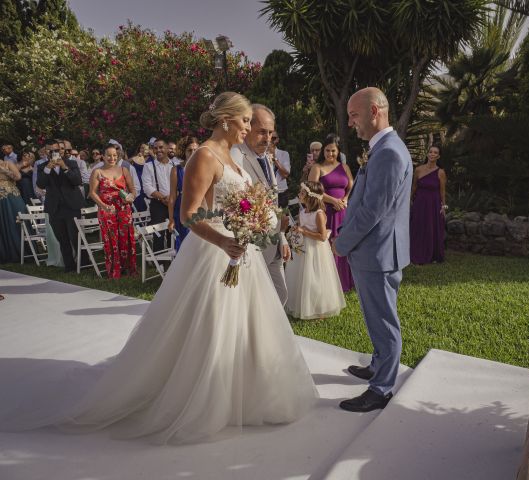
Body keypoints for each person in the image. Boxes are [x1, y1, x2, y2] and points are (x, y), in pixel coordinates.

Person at [0, 92, 317, 444]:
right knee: (211, 324)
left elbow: (239, 201)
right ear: (227, 119)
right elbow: (188, 215)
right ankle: (204, 395)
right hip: (216, 251)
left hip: (242, 250)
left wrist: (256, 221)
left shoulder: (233, 155)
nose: (249, 128)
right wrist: (224, 239)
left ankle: (251, 389)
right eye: (245, 121)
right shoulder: (204, 156)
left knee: (249, 324)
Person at [334, 87, 412, 412]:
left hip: (378, 253)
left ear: (374, 112)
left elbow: (371, 211)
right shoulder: (382, 149)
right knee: (375, 315)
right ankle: (379, 365)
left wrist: (341, 243)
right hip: (374, 251)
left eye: (354, 114)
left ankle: (380, 390)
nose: (351, 122)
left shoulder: (390, 153)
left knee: (383, 321)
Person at [230, 104, 291, 305]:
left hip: (273, 242)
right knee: (254, 303)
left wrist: (281, 236)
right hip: (252, 246)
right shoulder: (236, 156)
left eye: (270, 133)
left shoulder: (267, 157)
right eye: (261, 132)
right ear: (247, 129)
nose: (267, 138)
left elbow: (272, 200)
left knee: (280, 296)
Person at [285, 181, 346, 319]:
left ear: (310, 197)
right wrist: (297, 230)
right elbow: (302, 227)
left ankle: (319, 307)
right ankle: (302, 304)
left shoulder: (319, 214)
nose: (299, 194)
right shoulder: (302, 211)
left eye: (302, 193)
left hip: (316, 250)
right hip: (303, 249)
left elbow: (323, 236)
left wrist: (304, 231)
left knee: (315, 278)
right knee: (301, 277)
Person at [308, 137, 355, 292]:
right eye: (327, 150)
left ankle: (345, 281)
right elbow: (311, 190)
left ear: (338, 151)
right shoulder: (317, 167)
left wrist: (345, 199)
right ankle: (329, 284)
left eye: (333, 150)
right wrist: (333, 200)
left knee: (343, 243)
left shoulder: (344, 166)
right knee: (327, 246)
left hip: (343, 210)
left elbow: (351, 185)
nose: (330, 153)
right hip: (325, 212)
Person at [36, 140, 86, 272]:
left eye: (56, 150)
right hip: (54, 207)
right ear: (45, 151)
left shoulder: (71, 163)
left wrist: (64, 167)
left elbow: (77, 181)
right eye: (50, 150)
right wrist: (48, 168)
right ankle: (69, 266)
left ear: (61, 151)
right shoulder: (42, 167)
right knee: (62, 238)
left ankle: (84, 263)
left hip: (71, 206)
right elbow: (40, 185)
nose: (53, 153)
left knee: (75, 236)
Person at [88, 146, 137, 279]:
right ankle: (114, 271)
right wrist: (104, 206)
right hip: (107, 211)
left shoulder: (124, 170)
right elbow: (92, 193)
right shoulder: (97, 172)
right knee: (111, 240)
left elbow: (133, 190)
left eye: (115, 155)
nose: (112, 158)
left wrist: (130, 197)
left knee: (126, 238)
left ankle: (129, 269)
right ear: (102, 156)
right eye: (109, 155)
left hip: (124, 209)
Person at [410, 145, 447, 264]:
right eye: (430, 152)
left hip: (434, 204)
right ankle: (415, 253)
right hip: (419, 203)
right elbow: (414, 186)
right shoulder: (418, 169)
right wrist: (410, 200)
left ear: (438, 156)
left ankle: (432, 255)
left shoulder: (441, 172)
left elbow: (442, 191)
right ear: (427, 154)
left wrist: (443, 207)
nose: (432, 154)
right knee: (417, 228)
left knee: (431, 228)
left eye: (435, 153)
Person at [142, 139, 178, 254]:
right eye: (155, 148)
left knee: (173, 230)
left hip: (175, 201)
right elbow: (147, 187)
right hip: (157, 203)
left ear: (167, 148)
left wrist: (173, 197)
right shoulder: (148, 166)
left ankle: (173, 255)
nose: (158, 150)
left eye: (161, 147)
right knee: (158, 231)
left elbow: (180, 184)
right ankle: (159, 259)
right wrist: (163, 198)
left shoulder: (175, 165)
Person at [168, 136, 199, 251]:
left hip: (200, 209)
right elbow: (172, 197)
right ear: (184, 152)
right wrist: (171, 219)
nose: (193, 153)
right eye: (189, 150)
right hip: (182, 209)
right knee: (184, 244)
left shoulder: (203, 167)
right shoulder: (176, 170)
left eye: (196, 150)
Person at [0, 158, 27, 262]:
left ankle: (19, 251)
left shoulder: (8, 163)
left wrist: (4, 170)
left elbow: (18, 177)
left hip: (11, 197)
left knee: (13, 221)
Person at [270, 130, 291, 209]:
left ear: (277, 139)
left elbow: (285, 174)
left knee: (283, 217)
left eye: (273, 138)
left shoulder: (284, 154)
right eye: (269, 137)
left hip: (281, 191)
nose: (271, 140)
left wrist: (274, 158)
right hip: (267, 192)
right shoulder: (260, 154)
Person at [130, 143, 150, 212]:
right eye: (142, 147)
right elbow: (126, 163)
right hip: (138, 182)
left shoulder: (151, 158)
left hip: (147, 181)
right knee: (139, 199)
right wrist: (135, 157)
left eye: (145, 148)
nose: (143, 149)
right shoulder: (136, 158)